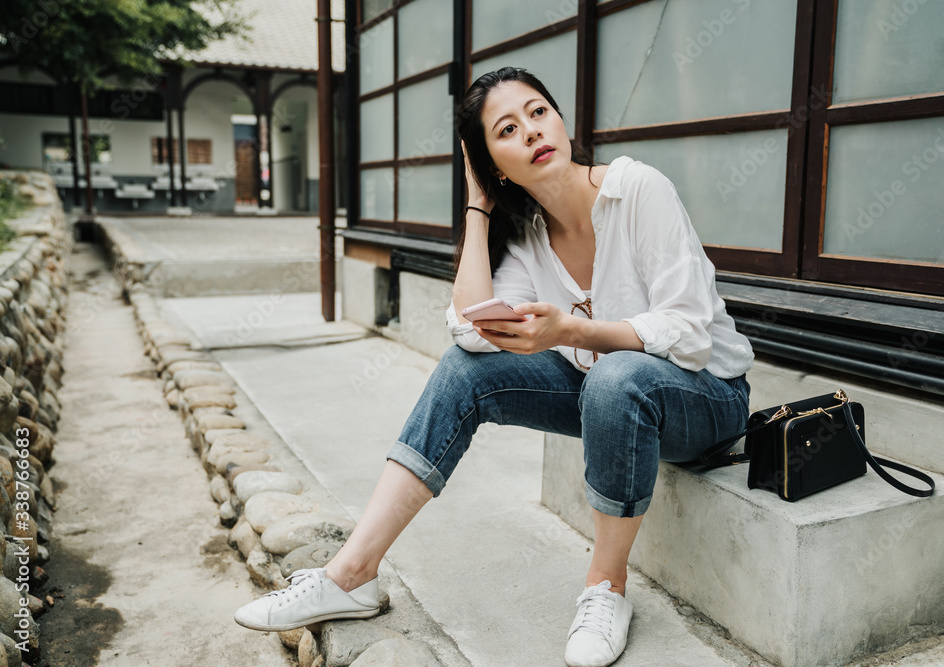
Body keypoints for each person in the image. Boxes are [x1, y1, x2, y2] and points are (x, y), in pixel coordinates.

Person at [234, 66, 754, 667]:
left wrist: (572, 330)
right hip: (604, 393)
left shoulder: (638, 190)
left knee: (615, 374)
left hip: (707, 397)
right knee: (465, 370)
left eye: (539, 111)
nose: (533, 131)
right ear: (493, 165)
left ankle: (606, 588)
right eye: (507, 129)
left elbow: (688, 336)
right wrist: (478, 210)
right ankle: (352, 574)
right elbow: (469, 331)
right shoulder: (527, 232)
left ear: (561, 120)